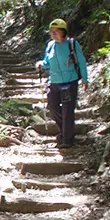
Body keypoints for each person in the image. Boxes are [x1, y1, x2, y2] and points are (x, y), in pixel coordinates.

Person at [35, 18, 88, 148]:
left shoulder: (72, 44)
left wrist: (85, 79)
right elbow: (47, 62)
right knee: (52, 108)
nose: (53, 34)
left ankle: (67, 140)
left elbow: (81, 61)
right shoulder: (50, 45)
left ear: (63, 32)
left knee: (67, 110)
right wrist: (41, 64)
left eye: (56, 31)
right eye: (51, 32)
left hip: (70, 82)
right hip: (54, 82)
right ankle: (65, 131)